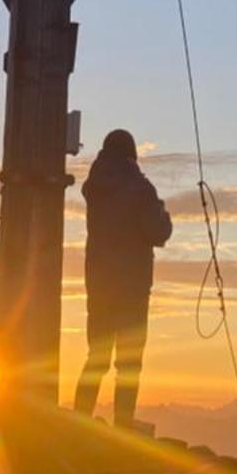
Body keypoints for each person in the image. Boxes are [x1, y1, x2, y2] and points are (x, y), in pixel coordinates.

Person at [73, 128, 172, 428]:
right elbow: (159, 232)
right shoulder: (140, 189)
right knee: (129, 363)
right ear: (132, 155)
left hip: (100, 286)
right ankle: (123, 425)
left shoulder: (96, 188)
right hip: (132, 289)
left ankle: (80, 420)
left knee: (97, 357)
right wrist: (163, 212)